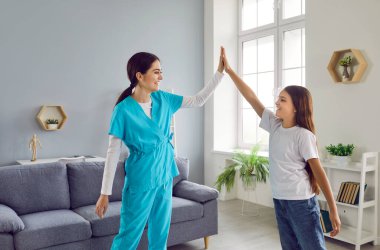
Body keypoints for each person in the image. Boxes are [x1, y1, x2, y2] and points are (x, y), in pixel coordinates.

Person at [95, 48, 225, 250]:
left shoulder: (163, 99)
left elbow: (198, 100)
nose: (161, 77)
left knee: (160, 236)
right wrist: (105, 193)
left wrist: (220, 73)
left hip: (165, 177)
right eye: (156, 72)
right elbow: (112, 153)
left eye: (160, 71)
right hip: (140, 180)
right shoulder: (122, 111)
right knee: (128, 237)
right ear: (140, 76)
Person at [221, 48, 341, 250]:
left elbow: (320, 174)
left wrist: (333, 210)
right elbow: (251, 97)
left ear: (296, 107)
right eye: (278, 98)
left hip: (301, 203)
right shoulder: (275, 125)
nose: (277, 102)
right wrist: (229, 71)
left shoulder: (303, 135)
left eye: (283, 100)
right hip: (280, 200)